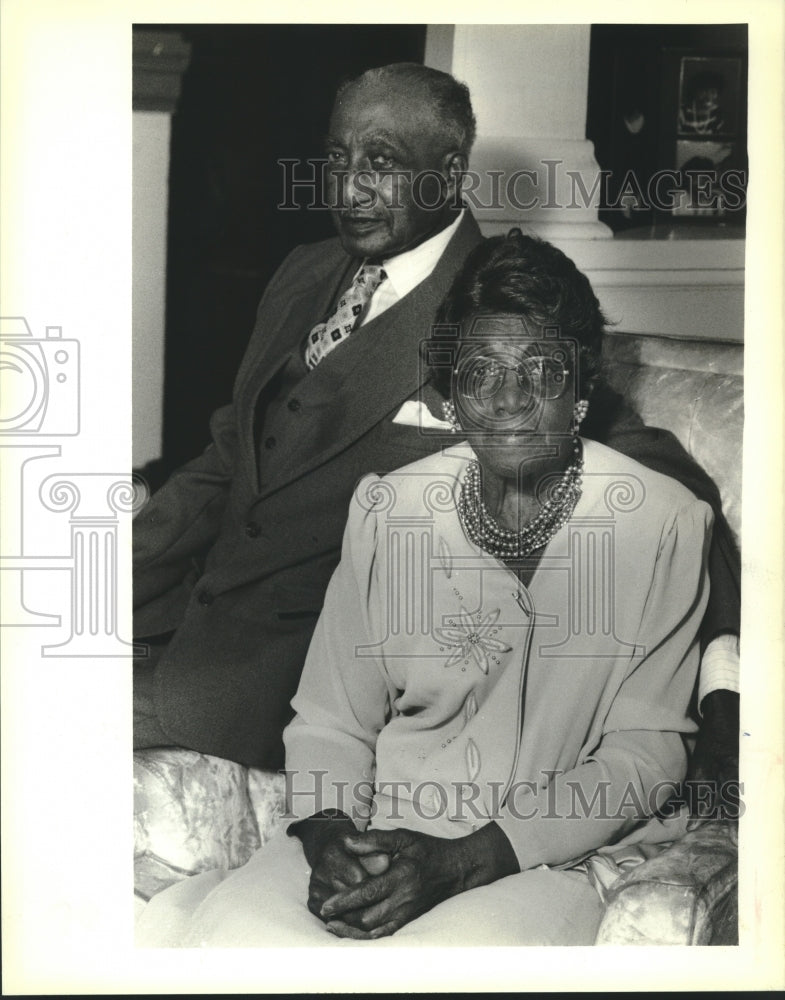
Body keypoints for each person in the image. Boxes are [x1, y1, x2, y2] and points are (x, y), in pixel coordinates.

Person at [133, 62, 739, 803]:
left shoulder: (494, 311)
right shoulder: (304, 270)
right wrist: (103, 579)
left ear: (448, 173)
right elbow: (231, 459)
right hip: (183, 606)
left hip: (282, 672)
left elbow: (672, 489)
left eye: (380, 162)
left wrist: (722, 693)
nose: (349, 188)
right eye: (336, 159)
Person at [136, 232, 713, 947]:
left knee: (435, 968)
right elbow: (329, 723)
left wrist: (468, 859)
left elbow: (644, 755)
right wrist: (330, 840)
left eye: (540, 370)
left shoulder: (661, 522)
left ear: (582, 389)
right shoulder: (389, 511)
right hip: (381, 831)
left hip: (542, 855)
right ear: (451, 400)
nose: (508, 397)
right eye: (480, 372)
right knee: (234, 945)